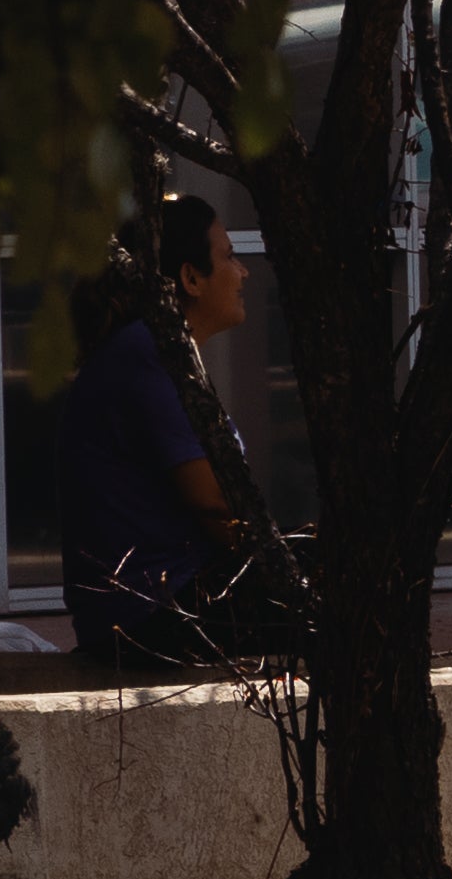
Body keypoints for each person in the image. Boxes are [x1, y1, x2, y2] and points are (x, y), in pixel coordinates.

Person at [31, 201, 275, 671]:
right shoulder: (151, 354)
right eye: (228, 257)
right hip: (151, 618)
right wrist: (284, 570)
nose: (243, 272)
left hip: (153, 609)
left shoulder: (155, 352)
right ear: (191, 278)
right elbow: (216, 506)